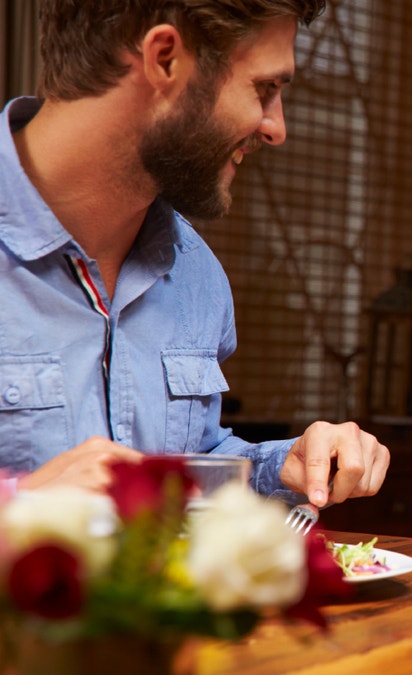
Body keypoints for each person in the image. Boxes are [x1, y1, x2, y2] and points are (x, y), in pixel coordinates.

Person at [0, 0, 389, 507]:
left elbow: (186, 469)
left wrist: (287, 465)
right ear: (164, 58)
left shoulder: (195, 271)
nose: (276, 128)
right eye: (265, 89)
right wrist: (18, 506)